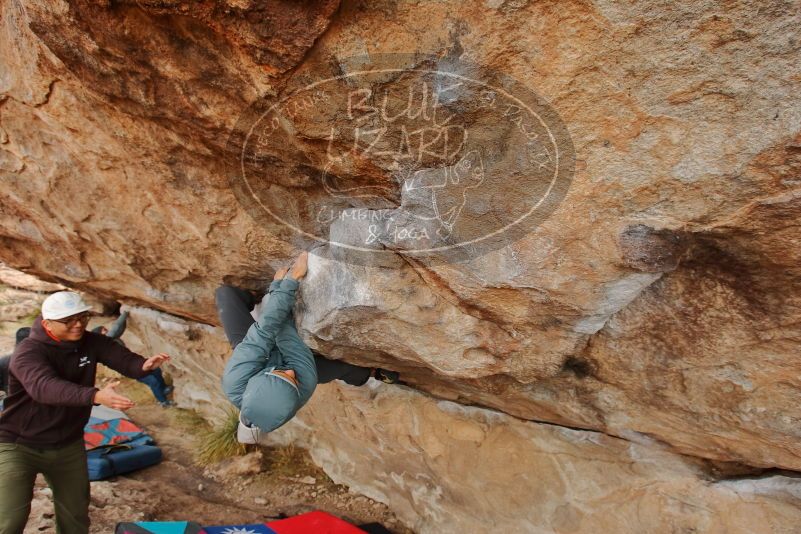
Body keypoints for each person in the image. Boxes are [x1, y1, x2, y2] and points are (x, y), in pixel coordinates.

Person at [0, 291, 171, 534]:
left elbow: (118, 356)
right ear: (47, 324)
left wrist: (141, 366)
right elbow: (44, 388)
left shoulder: (89, 341)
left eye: (82, 317)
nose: (78, 324)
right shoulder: (28, 352)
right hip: (19, 444)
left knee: (76, 518)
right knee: (10, 520)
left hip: (67, 444)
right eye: (68, 320)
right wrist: (95, 395)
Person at [217, 252, 398, 444]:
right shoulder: (299, 388)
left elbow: (268, 330)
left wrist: (280, 288)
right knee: (339, 369)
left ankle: (252, 299)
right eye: (292, 380)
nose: (291, 372)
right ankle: (373, 373)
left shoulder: (235, 379)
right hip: (292, 359)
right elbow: (286, 336)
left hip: (255, 351)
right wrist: (280, 290)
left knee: (225, 294)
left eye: (283, 374)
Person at [93, 311, 175, 407]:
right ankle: (162, 401)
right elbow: (117, 327)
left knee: (156, 370)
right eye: (103, 330)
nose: (106, 330)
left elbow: (119, 329)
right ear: (99, 335)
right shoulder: (107, 340)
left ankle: (164, 389)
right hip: (129, 368)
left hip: (132, 363)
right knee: (153, 382)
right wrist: (125, 313)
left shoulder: (110, 340)